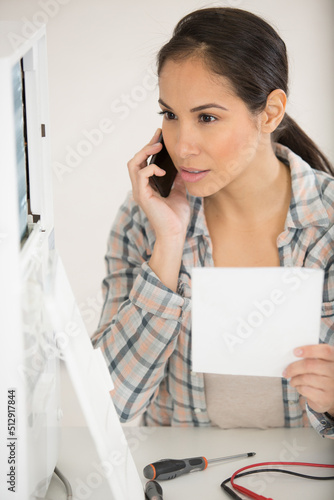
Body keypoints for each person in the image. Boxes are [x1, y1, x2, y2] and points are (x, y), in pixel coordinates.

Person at [92, 7, 334, 437]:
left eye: (207, 117)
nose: (182, 146)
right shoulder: (143, 218)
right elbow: (108, 407)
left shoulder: (328, 225)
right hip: (186, 478)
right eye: (170, 114)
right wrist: (166, 247)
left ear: (271, 112)